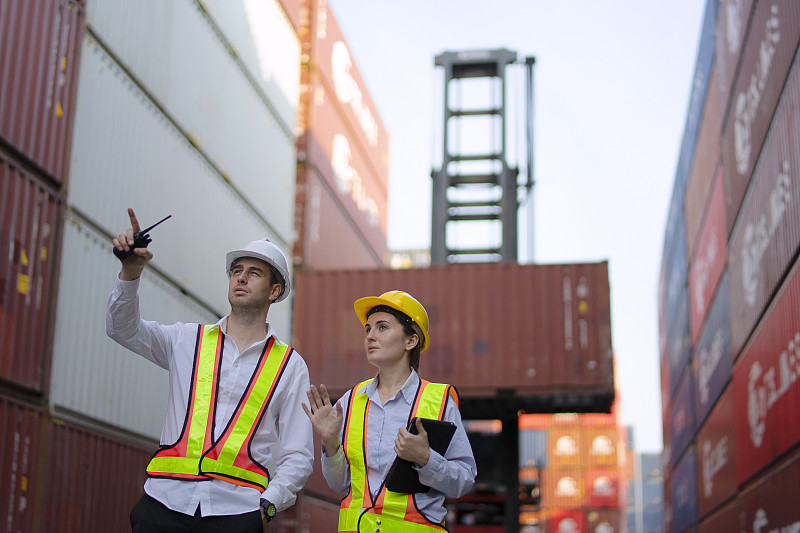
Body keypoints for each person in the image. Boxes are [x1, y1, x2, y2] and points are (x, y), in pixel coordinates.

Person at [107, 208, 313, 532]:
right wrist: (130, 273)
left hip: (238, 513)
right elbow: (123, 330)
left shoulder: (291, 367)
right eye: (237, 270)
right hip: (162, 504)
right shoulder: (186, 340)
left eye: (254, 273)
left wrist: (268, 505)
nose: (241, 277)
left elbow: (298, 454)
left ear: (275, 291)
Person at [304, 290, 477, 532]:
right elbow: (339, 484)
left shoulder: (439, 401)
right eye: (368, 329)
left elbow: (464, 481)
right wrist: (331, 444)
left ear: (411, 341)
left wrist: (426, 459)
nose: (370, 337)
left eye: (382, 327)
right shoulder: (352, 400)